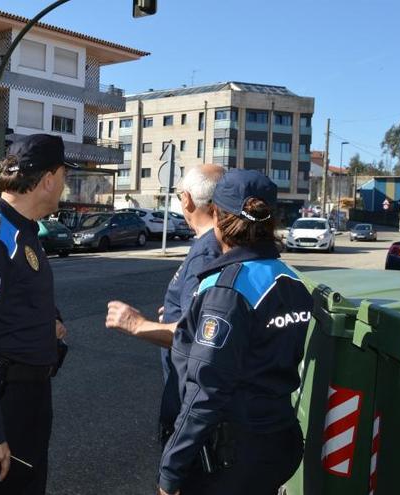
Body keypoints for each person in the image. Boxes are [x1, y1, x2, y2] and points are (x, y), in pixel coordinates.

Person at [156, 169, 312, 495]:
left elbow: (206, 392)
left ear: (217, 217)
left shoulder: (227, 288)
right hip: (279, 438)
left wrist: (171, 470)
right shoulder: (291, 281)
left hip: (233, 456)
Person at [0, 134, 76, 494]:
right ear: (49, 179)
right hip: (2, 399)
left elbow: (21, 291)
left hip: (29, 396)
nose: (64, 187)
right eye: (64, 177)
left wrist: (47, 320)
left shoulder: (25, 231)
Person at [105, 164, 224, 445]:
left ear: (187, 200)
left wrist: (137, 325)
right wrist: (174, 312)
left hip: (189, 395)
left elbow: (198, 333)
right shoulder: (213, 244)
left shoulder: (205, 252)